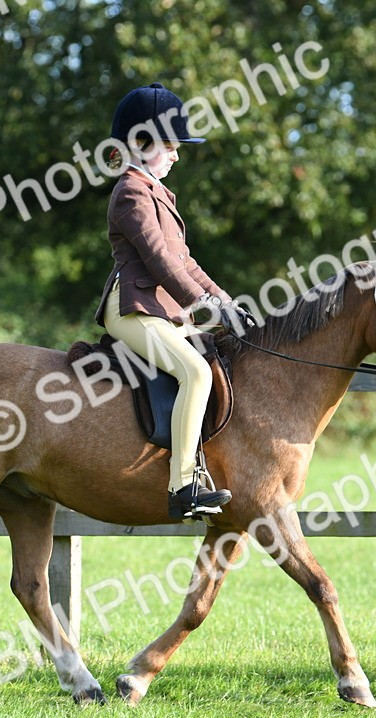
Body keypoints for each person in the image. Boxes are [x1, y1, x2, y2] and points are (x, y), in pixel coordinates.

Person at [93, 82, 250, 519]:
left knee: (221, 357)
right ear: (141, 145)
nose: (177, 154)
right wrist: (205, 303)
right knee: (196, 373)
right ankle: (183, 484)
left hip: (162, 309)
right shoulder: (131, 192)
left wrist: (224, 300)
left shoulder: (157, 192)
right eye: (170, 145)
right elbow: (161, 262)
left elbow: (186, 260)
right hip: (133, 309)